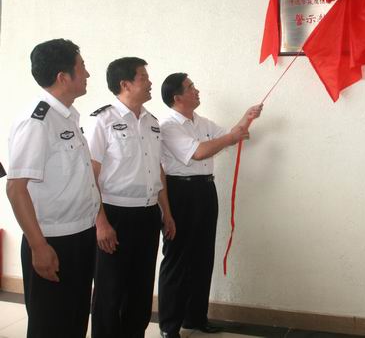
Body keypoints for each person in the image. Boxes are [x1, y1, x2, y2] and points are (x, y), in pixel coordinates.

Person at [6, 39, 101, 338]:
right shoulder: (37, 121)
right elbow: (16, 189)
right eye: (82, 67)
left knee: (74, 322)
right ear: (63, 77)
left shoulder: (68, 117)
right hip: (53, 242)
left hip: (81, 235)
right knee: (50, 326)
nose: (88, 74)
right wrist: (38, 246)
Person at [157, 72, 262, 338]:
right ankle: (169, 326)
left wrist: (247, 117)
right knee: (178, 258)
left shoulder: (201, 121)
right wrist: (232, 137)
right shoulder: (168, 125)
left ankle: (195, 318)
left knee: (202, 256)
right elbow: (199, 152)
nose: (196, 90)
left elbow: (229, 135)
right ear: (177, 97)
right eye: (190, 87)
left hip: (205, 189)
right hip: (180, 192)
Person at [85, 57, 176, 338]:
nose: (150, 83)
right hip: (114, 214)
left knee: (140, 289)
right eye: (143, 78)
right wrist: (101, 223)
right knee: (110, 290)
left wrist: (167, 212)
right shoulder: (103, 120)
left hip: (147, 214)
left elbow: (157, 170)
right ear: (125, 84)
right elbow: (89, 176)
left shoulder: (152, 122)